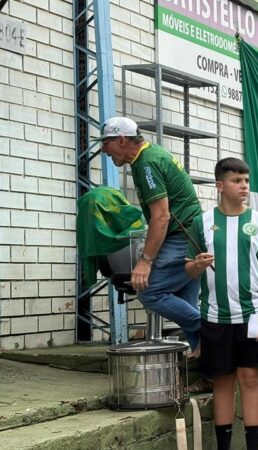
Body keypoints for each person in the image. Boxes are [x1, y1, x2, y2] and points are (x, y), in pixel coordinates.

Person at [184, 157, 258, 450]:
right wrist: (197, 265)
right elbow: (189, 268)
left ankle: (254, 446)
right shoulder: (202, 222)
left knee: (251, 379)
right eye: (237, 181)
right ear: (219, 185)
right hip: (214, 316)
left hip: (251, 316)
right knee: (222, 381)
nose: (243, 187)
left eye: (246, 181)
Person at [95, 117, 202, 350]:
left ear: (122, 140)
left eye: (106, 143)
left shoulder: (146, 163)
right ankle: (208, 369)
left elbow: (161, 216)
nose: (104, 150)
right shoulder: (151, 154)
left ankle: (212, 330)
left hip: (182, 237)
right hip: (192, 235)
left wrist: (145, 262)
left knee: (149, 292)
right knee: (186, 303)